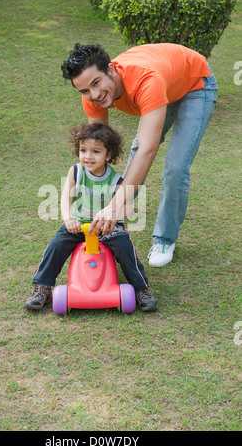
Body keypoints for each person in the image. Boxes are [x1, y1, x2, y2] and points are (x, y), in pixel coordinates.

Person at [61, 43, 218, 267]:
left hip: (194, 84)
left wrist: (113, 206)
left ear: (111, 70)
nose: (93, 95)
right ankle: (112, 219)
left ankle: (164, 238)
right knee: (136, 154)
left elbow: (148, 150)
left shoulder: (147, 82)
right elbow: (98, 150)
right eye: (85, 90)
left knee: (175, 167)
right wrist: (100, 205)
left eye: (96, 83)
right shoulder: (92, 96)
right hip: (166, 79)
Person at [24, 123, 157, 312]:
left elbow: (126, 207)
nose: (88, 156)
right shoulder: (76, 172)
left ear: (108, 155)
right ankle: (42, 286)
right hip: (78, 225)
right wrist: (68, 217)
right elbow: (65, 197)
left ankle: (141, 288)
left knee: (124, 246)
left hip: (107, 228)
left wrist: (114, 217)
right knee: (57, 244)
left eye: (96, 151)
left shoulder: (115, 180)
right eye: (83, 150)